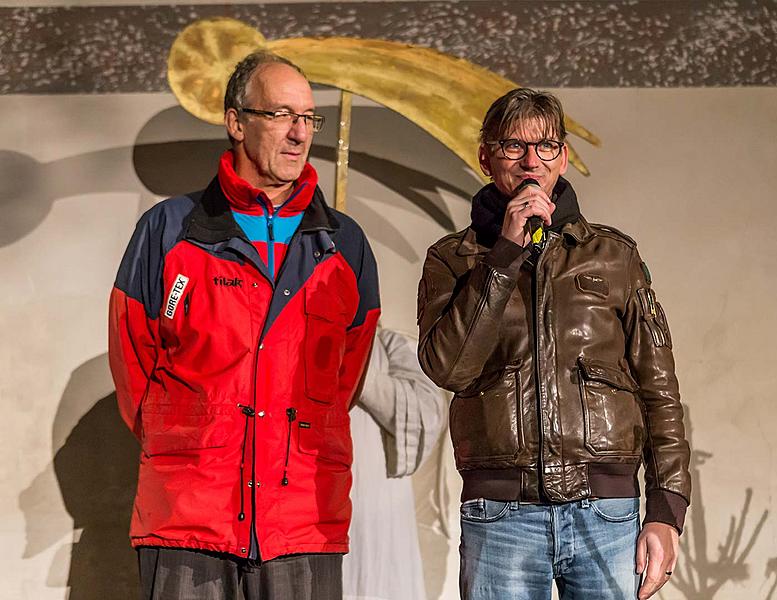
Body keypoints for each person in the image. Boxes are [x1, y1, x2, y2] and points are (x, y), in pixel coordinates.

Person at [109, 51, 380, 599]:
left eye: (308, 118)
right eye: (281, 115)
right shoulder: (168, 230)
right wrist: (190, 441)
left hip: (303, 515)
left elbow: (343, 378)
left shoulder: (343, 244)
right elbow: (133, 360)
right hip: (188, 513)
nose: (300, 134)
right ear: (237, 122)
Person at [417, 88, 690, 600]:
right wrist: (504, 256)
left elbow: (660, 389)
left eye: (545, 146)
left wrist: (666, 509)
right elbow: (448, 369)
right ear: (485, 156)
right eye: (512, 146)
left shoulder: (614, 256)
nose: (530, 161)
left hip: (606, 512)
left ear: (563, 157)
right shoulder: (454, 259)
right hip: (500, 515)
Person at [342, 327, 446, 600]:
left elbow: (428, 413)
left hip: (379, 509)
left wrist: (362, 375)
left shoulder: (389, 343)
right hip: (318, 506)